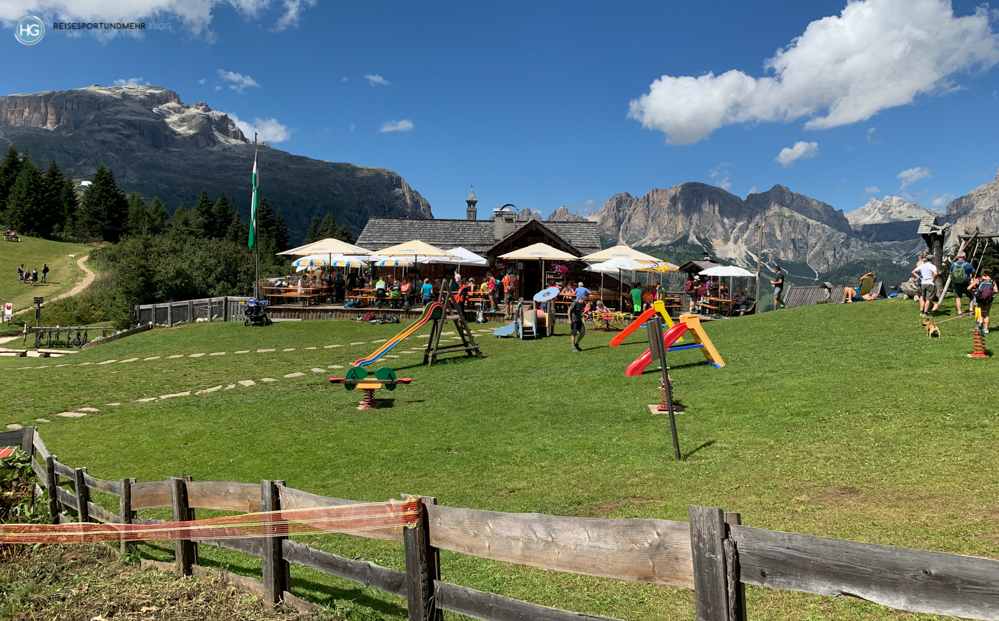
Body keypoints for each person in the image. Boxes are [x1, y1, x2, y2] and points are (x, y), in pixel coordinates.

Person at [947, 251, 975, 315]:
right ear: (965, 257)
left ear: (957, 257)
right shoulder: (968, 265)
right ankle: (971, 310)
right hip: (966, 283)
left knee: (958, 297)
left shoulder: (953, 265)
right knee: (971, 296)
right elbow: (973, 272)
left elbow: (951, 272)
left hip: (956, 283)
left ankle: (959, 312)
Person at [971, 268, 994, 334]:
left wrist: (974, 290)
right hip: (989, 299)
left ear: (982, 273)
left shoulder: (978, 280)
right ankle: (986, 329)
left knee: (979, 314)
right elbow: (997, 290)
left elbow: (968, 287)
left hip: (979, 299)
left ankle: (979, 328)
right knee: (986, 314)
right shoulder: (992, 280)